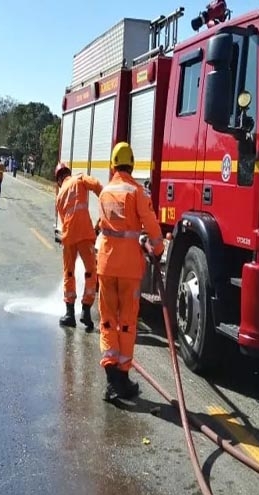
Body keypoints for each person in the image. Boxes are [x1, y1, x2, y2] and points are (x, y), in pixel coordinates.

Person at [96, 142, 164, 401]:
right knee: (126, 322)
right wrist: (157, 249)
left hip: (105, 264)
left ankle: (113, 379)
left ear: (113, 164)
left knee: (107, 321)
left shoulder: (105, 192)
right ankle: (120, 378)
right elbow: (151, 224)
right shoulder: (137, 191)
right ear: (132, 164)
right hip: (129, 269)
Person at [54, 162, 102, 332]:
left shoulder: (59, 196)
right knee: (91, 272)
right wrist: (104, 210)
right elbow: (98, 186)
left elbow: (62, 218)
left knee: (69, 273)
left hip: (69, 237)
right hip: (85, 235)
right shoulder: (80, 179)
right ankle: (86, 311)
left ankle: (69, 315)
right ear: (68, 173)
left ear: (59, 179)